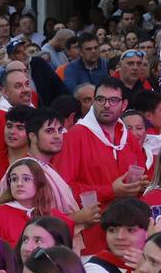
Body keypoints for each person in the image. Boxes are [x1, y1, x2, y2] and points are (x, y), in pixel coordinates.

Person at [53, 78, 148, 255]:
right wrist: (110, 190)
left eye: (113, 100)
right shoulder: (75, 137)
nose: (106, 105)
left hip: (129, 236)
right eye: (100, 99)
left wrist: (141, 185)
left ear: (124, 104)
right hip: (93, 238)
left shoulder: (128, 137)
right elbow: (63, 190)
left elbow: (143, 177)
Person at [0, 157, 74, 247]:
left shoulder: (52, 214)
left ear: (39, 183)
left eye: (26, 179)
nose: (19, 184)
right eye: (14, 179)